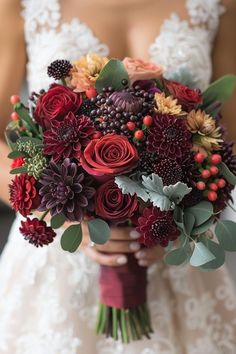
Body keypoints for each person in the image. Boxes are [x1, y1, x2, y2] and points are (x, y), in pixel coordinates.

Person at [0, 0, 236, 353]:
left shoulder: (218, 5)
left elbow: (226, 137)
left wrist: (183, 223)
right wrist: (56, 212)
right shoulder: (20, 4)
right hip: (59, 258)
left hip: (175, 258)